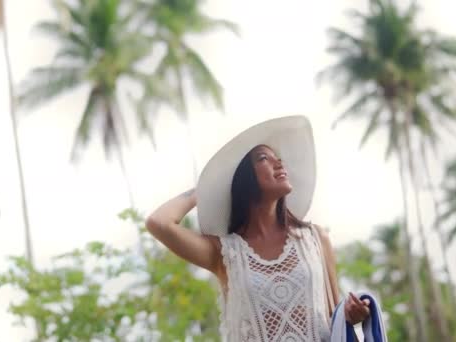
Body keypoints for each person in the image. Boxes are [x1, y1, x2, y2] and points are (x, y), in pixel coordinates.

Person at [146, 116, 370, 341]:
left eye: (278, 158)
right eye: (264, 158)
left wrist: (352, 315)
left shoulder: (315, 239)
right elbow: (159, 223)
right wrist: (206, 187)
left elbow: (335, 314)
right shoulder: (226, 253)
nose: (279, 163)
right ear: (242, 177)